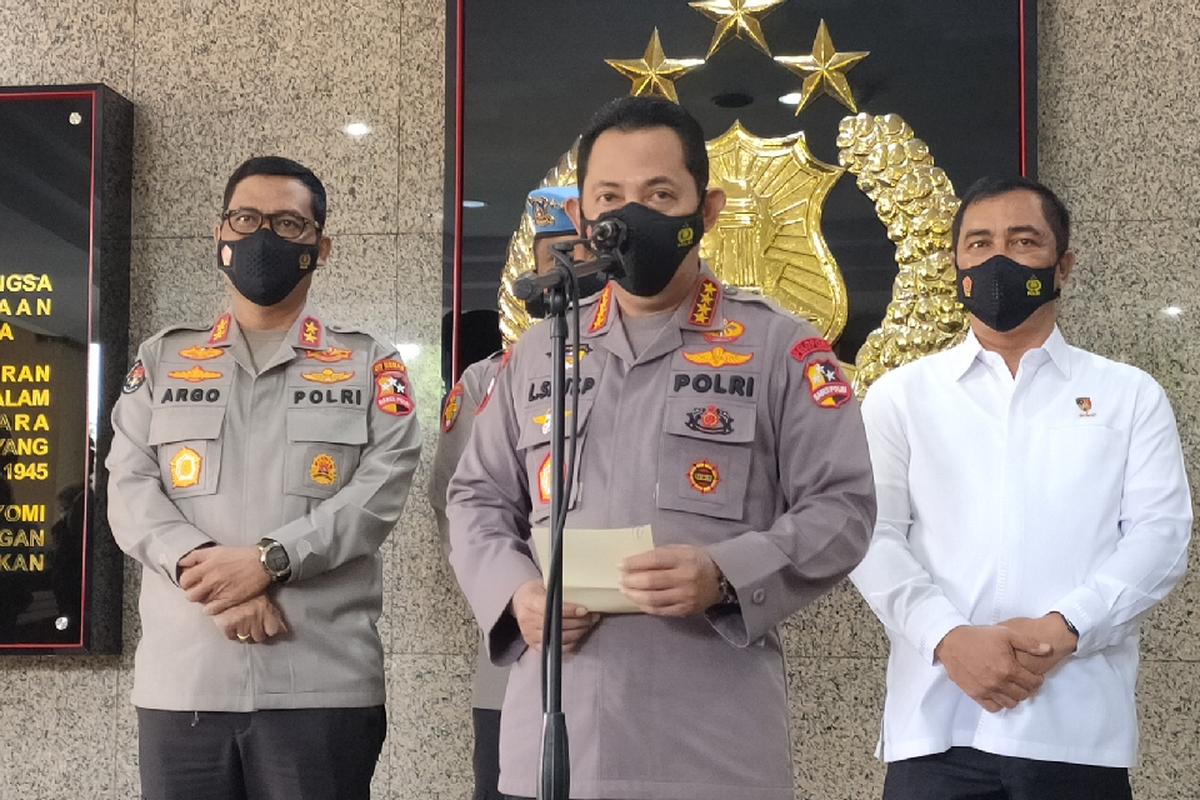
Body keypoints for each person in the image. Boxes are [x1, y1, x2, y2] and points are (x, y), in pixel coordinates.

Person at [446, 95, 876, 800]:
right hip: (558, 735)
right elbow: (477, 496)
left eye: (659, 194)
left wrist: (728, 573)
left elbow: (845, 506)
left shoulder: (778, 345)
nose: (631, 213)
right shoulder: (540, 347)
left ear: (705, 211)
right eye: (610, 196)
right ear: (582, 216)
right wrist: (513, 593)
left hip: (714, 745)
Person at [849, 175, 1192, 800]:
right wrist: (948, 639)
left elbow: (1160, 537)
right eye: (978, 244)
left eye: (1023, 240)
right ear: (957, 266)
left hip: (1078, 728)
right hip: (936, 728)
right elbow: (871, 536)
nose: (997, 259)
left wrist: (1068, 626)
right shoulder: (901, 395)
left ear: (1062, 265)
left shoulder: (1129, 394)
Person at [106, 156, 423, 800]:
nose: (263, 238)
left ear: (321, 248)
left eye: (288, 224)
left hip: (321, 681)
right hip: (185, 684)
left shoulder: (369, 363)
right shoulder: (162, 360)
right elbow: (128, 488)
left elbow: (380, 490)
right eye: (246, 218)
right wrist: (210, 567)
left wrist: (271, 560)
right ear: (219, 235)